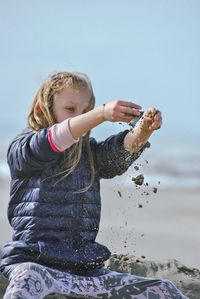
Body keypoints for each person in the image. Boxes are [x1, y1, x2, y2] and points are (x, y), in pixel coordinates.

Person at [0, 71, 187, 299]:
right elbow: (54, 139)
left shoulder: (90, 154)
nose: (80, 117)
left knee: (163, 289)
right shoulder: (26, 148)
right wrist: (101, 114)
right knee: (27, 277)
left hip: (85, 273)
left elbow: (120, 151)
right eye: (71, 110)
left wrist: (144, 129)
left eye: (85, 111)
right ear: (42, 110)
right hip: (35, 265)